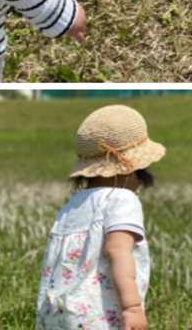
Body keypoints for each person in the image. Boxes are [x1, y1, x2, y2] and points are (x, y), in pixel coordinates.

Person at [36, 105, 166, 330]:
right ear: (131, 169)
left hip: (54, 314)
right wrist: (132, 307)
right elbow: (116, 251)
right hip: (96, 317)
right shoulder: (122, 199)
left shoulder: (72, 205)